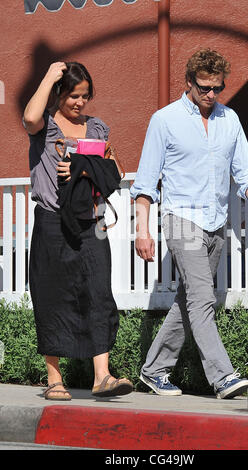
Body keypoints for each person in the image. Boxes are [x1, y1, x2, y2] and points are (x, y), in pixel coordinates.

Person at [130, 48, 248, 399]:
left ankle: (154, 370)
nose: (210, 95)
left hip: (215, 223)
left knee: (188, 299)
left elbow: (247, 174)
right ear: (188, 82)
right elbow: (145, 183)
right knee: (203, 297)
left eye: (217, 88)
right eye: (204, 87)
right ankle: (223, 377)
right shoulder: (165, 120)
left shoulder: (229, 119)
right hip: (181, 220)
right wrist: (142, 229)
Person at [23, 61, 133, 400]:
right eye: (73, 95)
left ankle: (103, 376)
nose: (79, 103)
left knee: (98, 291)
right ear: (59, 94)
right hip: (53, 220)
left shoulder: (97, 128)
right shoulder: (44, 127)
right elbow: (28, 117)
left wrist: (86, 169)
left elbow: (115, 169)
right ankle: (54, 379)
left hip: (93, 220)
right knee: (52, 294)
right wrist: (48, 75)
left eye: (85, 96)